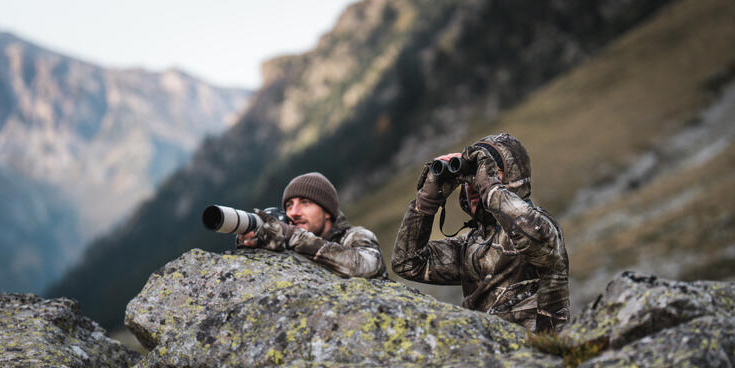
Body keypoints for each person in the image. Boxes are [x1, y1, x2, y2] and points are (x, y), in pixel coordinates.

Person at [392, 133, 569, 332]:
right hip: (487, 354)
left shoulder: (542, 227)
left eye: (491, 173)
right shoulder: (470, 246)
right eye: (471, 179)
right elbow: (407, 263)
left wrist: (490, 189)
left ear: (513, 177)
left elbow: (532, 235)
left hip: (539, 354)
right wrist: (425, 203)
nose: (474, 185)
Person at [238, 172, 387, 279]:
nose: (294, 212)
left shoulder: (356, 236)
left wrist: (292, 236)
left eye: (305, 202)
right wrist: (253, 242)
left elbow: (367, 265)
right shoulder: (287, 242)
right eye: (289, 205)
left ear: (328, 212)